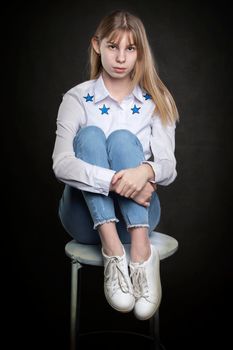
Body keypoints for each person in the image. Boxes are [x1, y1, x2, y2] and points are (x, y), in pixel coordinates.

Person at [52, 9, 179, 321]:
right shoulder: (77, 98)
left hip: (140, 218)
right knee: (91, 136)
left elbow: (168, 166)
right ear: (97, 45)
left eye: (130, 48)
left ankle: (140, 254)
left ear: (139, 52)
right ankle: (112, 251)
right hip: (85, 221)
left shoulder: (155, 100)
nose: (121, 57)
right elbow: (61, 164)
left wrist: (144, 171)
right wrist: (117, 181)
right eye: (113, 46)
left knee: (122, 139)